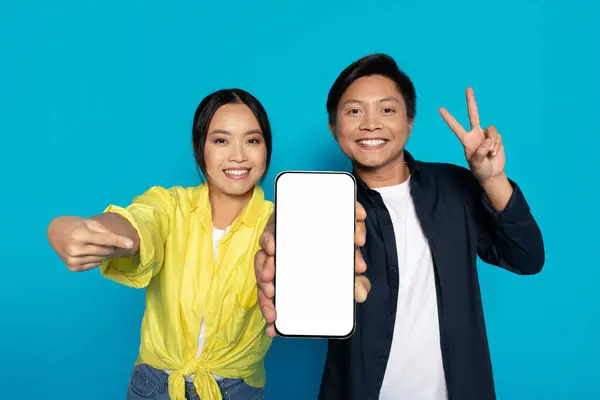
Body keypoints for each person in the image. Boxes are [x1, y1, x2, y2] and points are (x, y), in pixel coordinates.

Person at [254, 53, 545, 400]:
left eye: (387, 110)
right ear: (334, 127)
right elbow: (295, 305)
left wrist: (493, 180)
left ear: (409, 122)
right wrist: (287, 250)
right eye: (354, 111)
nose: (371, 124)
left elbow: (527, 257)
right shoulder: (322, 209)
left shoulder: (454, 186)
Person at [48, 88, 278, 400]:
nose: (238, 155)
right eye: (221, 140)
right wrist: (79, 230)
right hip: (154, 386)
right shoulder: (170, 205)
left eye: (252, 140)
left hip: (237, 390)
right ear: (200, 149)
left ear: (267, 148)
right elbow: (139, 223)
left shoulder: (278, 224)